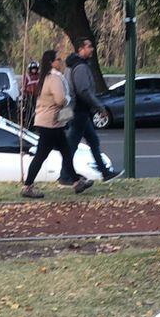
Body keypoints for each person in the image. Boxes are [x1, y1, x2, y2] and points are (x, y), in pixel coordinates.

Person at [20, 49, 92, 199]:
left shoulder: (44, 77)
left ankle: (76, 182)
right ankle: (27, 186)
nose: (60, 61)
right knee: (41, 155)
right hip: (50, 123)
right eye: (58, 59)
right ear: (52, 62)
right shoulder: (54, 78)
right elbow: (60, 100)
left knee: (65, 152)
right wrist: (68, 100)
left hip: (50, 122)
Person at [65, 39, 115, 181]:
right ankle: (65, 175)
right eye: (89, 47)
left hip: (77, 110)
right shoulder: (80, 66)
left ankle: (104, 172)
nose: (92, 49)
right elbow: (84, 91)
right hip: (79, 111)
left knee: (93, 141)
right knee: (72, 144)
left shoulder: (71, 65)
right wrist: (99, 107)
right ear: (81, 49)